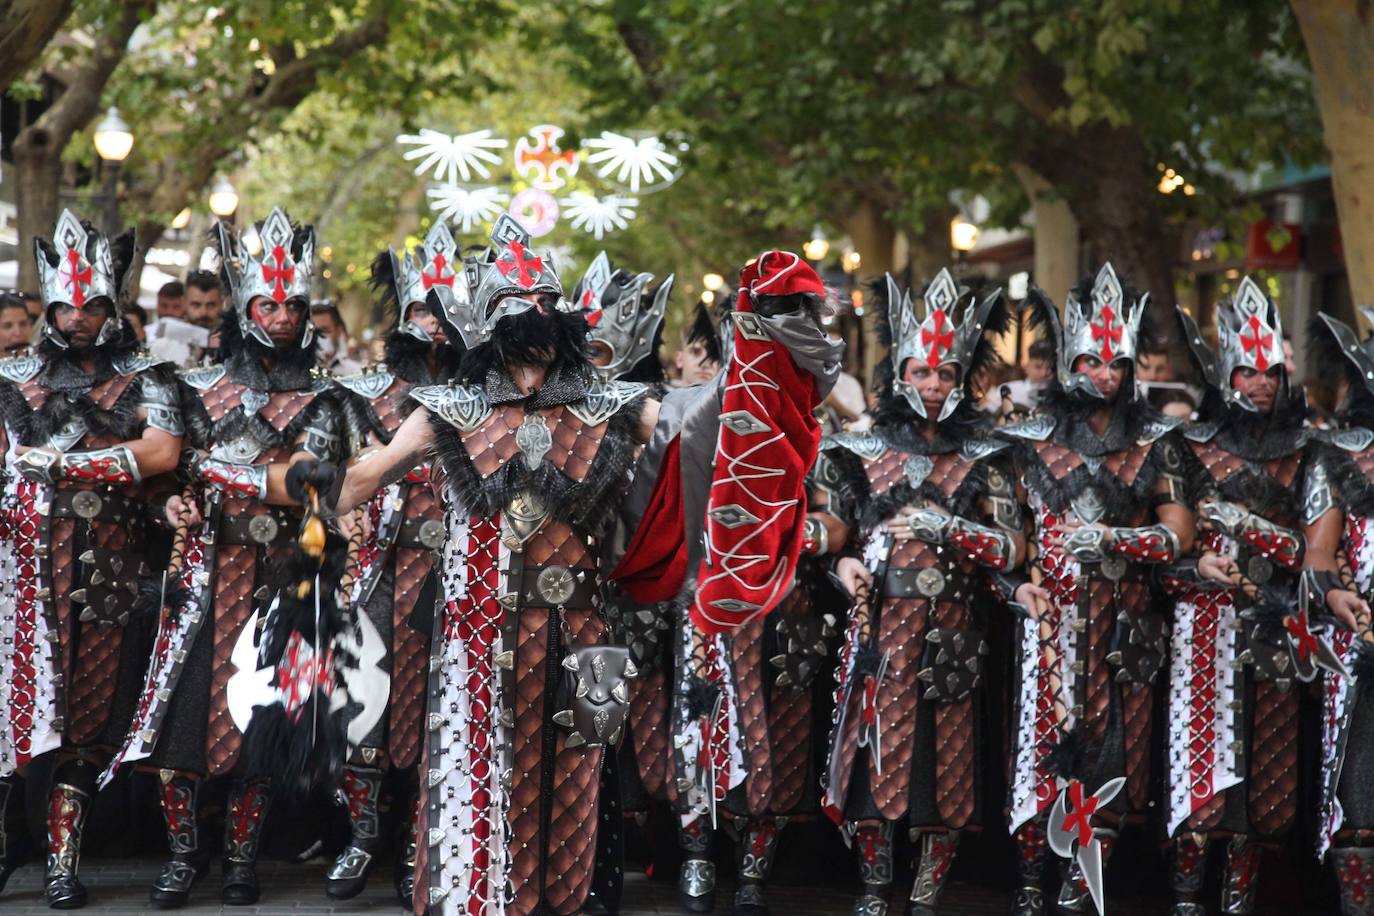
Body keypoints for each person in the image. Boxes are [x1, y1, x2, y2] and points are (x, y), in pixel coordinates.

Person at [284, 216, 841, 916]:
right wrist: (312, 485)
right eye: (528, 304)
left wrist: (766, 344)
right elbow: (363, 478)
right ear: (492, 319)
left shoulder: (608, 402)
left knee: (580, 793)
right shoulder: (448, 409)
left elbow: (707, 424)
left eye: (552, 303)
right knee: (480, 788)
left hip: (588, 634)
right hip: (477, 634)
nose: (544, 317)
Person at [103, 208, 346, 908]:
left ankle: (242, 861)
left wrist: (214, 470)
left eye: (293, 304)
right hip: (203, 574)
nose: (281, 315)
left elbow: (305, 481)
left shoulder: (326, 399)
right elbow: (166, 480)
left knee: (256, 731)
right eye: (268, 303)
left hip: (280, 580)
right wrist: (173, 502)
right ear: (245, 306)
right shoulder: (190, 387)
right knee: (179, 732)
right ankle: (182, 858)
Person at [813, 270, 1024, 916]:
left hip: (958, 631)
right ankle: (876, 889)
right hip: (883, 630)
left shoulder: (991, 455)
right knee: (878, 767)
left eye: (945, 374)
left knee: (948, 776)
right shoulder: (861, 449)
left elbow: (1017, 549)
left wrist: (955, 529)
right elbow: (836, 532)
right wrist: (838, 566)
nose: (933, 385)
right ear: (899, 371)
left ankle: (928, 893)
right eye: (922, 371)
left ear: (963, 380)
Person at [0, 211, 183, 907]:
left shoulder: (151, 373)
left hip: (109, 565)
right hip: (23, 566)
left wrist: (68, 466)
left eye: (93, 304)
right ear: (48, 307)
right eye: (67, 304)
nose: (80, 317)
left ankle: (62, 863)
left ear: (112, 306)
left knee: (90, 718)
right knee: (11, 714)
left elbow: (163, 452)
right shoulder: (10, 376)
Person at [1001, 264, 1194, 916]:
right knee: (1041, 750)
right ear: (1067, 363)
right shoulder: (1028, 440)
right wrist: (1016, 584)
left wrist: (1115, 541)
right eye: (1090, 361)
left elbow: (1177, 533)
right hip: (1049, 621)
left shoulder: (1156, 441)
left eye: (1116, 362)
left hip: (1124, 622)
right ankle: (1031, 880)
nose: (1104, 375)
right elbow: (1015, 538)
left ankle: (1086, 884)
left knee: (1115, 751)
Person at [322, 223, 467, 903]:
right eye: (421, 312)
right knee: (365, 710)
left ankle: (424, 845)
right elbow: (326, 479)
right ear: (402, 316)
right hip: (379, 566)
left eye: (445, 313)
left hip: (459, 572)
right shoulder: (358, 396)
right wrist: (340, 507)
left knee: (442, 712)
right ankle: (361, 837)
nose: (433, 326)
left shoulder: (487, 396)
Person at [1162, 278, 1312, 915]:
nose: (1260, 383)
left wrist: (1252, 530)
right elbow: (1167, 556)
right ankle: (1188, 899)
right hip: (1203, 626)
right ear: (1227, 375)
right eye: (1248, 371)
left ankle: (1240, 900)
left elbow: (1316, 555)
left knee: (1265, 780)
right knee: (1202, 771)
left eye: (1270, 372)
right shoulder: (1189, 447)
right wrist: (1201, 566)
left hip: (1277, 627)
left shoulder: (1308, 451)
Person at [1300, 309, 1374, 916]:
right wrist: (1334, 593)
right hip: (1359, 641)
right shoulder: (1338, 455)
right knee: (1359, 790)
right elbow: (1318, 550)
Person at [674, 302, 722, 386]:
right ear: (680, 359)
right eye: (695, 352)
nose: (705, 364)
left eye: (713, 355)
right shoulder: (655, 397)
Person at [312, 301, 363, 376]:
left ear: (338, 331)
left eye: (324, 330)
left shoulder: (356, 372)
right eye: (314, 331)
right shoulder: (300, 372)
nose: (319, 336)